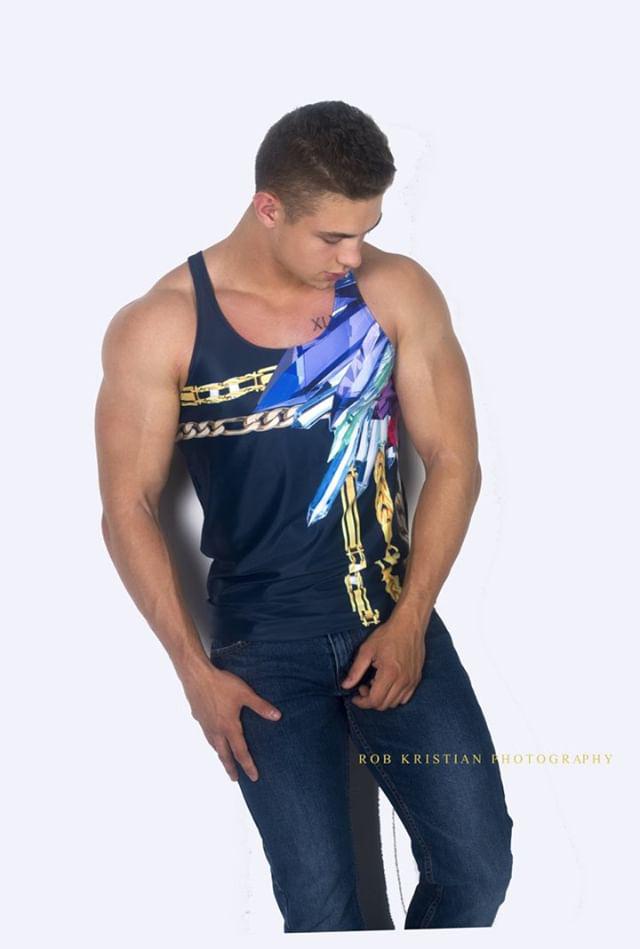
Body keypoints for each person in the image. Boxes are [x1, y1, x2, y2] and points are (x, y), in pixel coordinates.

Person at [95, 100, 514, 932]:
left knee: (478, 866)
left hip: (392, 619)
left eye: (366, 231)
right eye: (332, 237)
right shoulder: (163, 323)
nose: (352, 256)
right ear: (269, 207)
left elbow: (455, 461)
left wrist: (411, 620)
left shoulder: (394, 291)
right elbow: (127, 506)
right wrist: (193, 673)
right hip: (263, 653)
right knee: (321, 912)